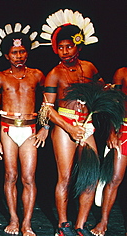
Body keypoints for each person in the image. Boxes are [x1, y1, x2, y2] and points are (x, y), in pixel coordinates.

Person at [39, 9, 104, 236]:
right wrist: (68, 127)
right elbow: (47, 109)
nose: (65, 51)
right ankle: (63, 225)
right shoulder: (54, 73)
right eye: (61, 47)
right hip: (65, 125)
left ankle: (80, 225)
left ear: (79, 46)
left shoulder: (90, 68)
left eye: (69, 46)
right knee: (64, 177)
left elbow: (102, 90)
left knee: (90, 175)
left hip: (85, 125)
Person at [0, 23, 46, 236]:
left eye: (22, 51)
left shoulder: (38, 75)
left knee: (28, 178)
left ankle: (27, 223)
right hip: (7, 130)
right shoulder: (0, 77)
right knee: (10, 175)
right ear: (7, 55)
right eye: (14, 52)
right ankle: (14, 218)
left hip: (30, 130)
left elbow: (49, 103)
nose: (19, 56)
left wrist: (45, 128)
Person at [90, 67, 127, 236]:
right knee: (114, 178)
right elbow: (114, 102)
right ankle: (103, 221)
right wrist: (112, 132)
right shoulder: (122, 73)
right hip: (124, 130)